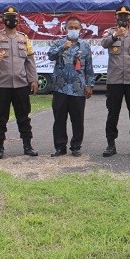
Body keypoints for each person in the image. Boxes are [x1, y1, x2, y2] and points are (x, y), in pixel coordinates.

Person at [0, 6, 39, 159]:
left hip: (21, 84)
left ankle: (28, 145)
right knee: (0, 117)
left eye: (14, 17)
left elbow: (30, 61)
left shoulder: (23, 38)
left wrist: (33, 79)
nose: (11, 20)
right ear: (3, 19)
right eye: (8, 17)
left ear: (18, 19)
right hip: (2, 85)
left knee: (24, 117)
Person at [101, 5, 130, 157]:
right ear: (116, 17)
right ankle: (111, 144)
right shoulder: (109, 32)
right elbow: (103, 43)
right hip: (114, 80)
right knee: (113, 113)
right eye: (120, 16)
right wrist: (115, 35)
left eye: (125, 15)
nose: (123, 18)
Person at [47, 16, 95, 157]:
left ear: (80, 30)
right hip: (60, 87)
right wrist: (62, 48)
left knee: (77, 119)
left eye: (76, 28)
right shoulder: (58, 44)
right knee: (59, 119)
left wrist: (89, 85)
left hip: (78, 88)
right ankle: (60, 147)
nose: (73, 30)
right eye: (70, 27)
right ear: (65, 29)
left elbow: (89, 67)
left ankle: (76, 146)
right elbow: (50, 56)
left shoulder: (85, 46)